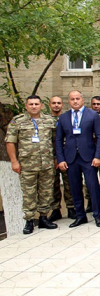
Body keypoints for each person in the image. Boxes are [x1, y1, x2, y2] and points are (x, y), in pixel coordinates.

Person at [5, 95, 58, 234]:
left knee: (46, 192)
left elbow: (55, 141)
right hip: (27, 165)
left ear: (41, 105)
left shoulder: (49, 121)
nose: (34, 106)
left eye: (36, 104)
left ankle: (43, 218)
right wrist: (14, 161)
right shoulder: (18, 121)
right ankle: (29, 220)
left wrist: (56, 158)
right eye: (31, 104)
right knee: (29, 194)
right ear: (26, 106)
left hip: (46, 163)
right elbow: (10, 141)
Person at [55, 90, 100, 228]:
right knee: (74, 188)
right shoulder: (64, 117)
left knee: (93, 186)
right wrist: (61, 159)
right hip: (70, 158)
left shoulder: (93, 115)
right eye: (72, 99)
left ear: (82, 100)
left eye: (77, 98)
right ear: (69, 101)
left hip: (88, 157)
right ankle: (80, 216)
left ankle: (97, 215)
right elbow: (59, 140)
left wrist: (97, 156)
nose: (75, 101)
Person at [48, 96, 75, 221]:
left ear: (62, 105)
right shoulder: (45, 120)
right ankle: (55, 209)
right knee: (53, 184)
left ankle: (71, 207)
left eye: (59, 103)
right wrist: (54, 157)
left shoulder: (68, 118)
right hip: (50, 157)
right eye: (54, 103)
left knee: (69, 182)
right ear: (49, 105)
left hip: (67, 155)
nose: (56, 105)